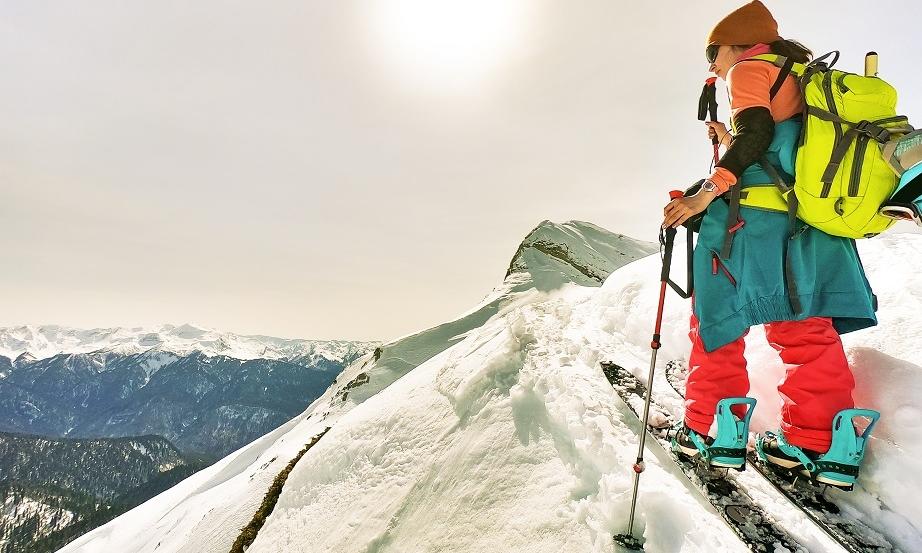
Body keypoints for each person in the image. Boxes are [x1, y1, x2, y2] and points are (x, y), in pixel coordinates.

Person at [660, 1, 879, 487]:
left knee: (716, 317)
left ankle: (712, 430)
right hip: (808, 217)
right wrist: (731, 133)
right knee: (801, 320)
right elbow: (774, 135)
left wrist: (706, 193)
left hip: (752, 220)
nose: (712, 66)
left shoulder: (748, 69)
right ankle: (818, 442)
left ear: (732, 43)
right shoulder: (800, 75)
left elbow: (757, 133)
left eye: (712, 53)